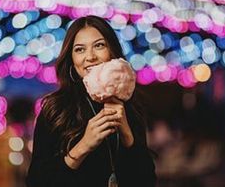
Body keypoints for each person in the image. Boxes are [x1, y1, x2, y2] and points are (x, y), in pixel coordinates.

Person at [26, 16, 155, 186]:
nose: (90, 57)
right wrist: (84, 146)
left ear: (112, 52)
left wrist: (127, 135)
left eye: (99, 45)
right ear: (72, 60)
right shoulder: (55, 110)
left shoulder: (130, 105)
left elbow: (147, 181)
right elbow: (36, 182)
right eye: (80, 49)